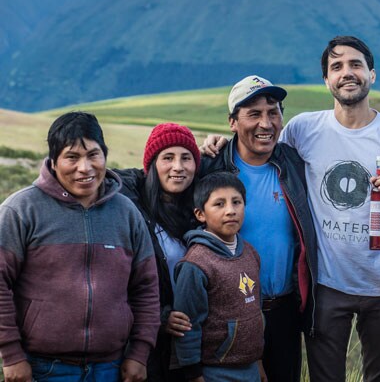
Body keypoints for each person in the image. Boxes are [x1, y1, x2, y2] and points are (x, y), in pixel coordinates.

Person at [278, 36, 380, 382]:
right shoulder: (302, 129)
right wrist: (221, 146)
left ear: (372, 74)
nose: (347, 73)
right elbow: (263, 159)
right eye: (337, 66)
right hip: (326, 284)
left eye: (356, 64)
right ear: (326, 80)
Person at [0, 111, 159, 382]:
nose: (84, 168)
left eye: (93, 155)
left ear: (104, 155)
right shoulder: (21, 210)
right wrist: (11, 354)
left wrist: (139, 353)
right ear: (54, 161)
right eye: (72, 157)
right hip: (42, 368)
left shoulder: (126, 212)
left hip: (112, 367)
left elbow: (146, 287)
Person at [200, 75, 318, 382]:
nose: (266, 123)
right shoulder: (211, 168)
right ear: (232, 122)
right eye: (253, 113)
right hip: (228, 315)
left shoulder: (294, 164)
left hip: (285, 311)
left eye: (273, 112)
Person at [117, 123, 204, 382]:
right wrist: (159, 317)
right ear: (152, 164)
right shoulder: (133, 211)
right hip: (146, 347)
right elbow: (120, 282)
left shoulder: (201, 213)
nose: (178, 166)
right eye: (168, 157)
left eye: (186, 158)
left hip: (194, 345)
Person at [174, 172, 265, 382]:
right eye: (219, 204)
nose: (230, 211)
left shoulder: (250, 253)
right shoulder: (195, 264)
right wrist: (194, 374)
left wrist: (258, 361)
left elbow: (256, 311)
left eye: (237, 202)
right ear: (200, 214)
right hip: (214, 372)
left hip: (250, 367)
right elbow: (188, 325)